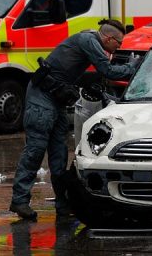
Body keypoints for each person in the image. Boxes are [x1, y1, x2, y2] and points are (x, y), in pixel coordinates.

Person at [9, 19, 139, 221]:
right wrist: (134, 67)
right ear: (107, 37)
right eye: (118, 43)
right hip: (41, 98)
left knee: (59, 155)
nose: (119, 47)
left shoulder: (87, 41)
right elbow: (108, 71)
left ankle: (63, 205)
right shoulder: (89, 41)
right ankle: (20, 200)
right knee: (35, 151)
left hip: (54, 99)